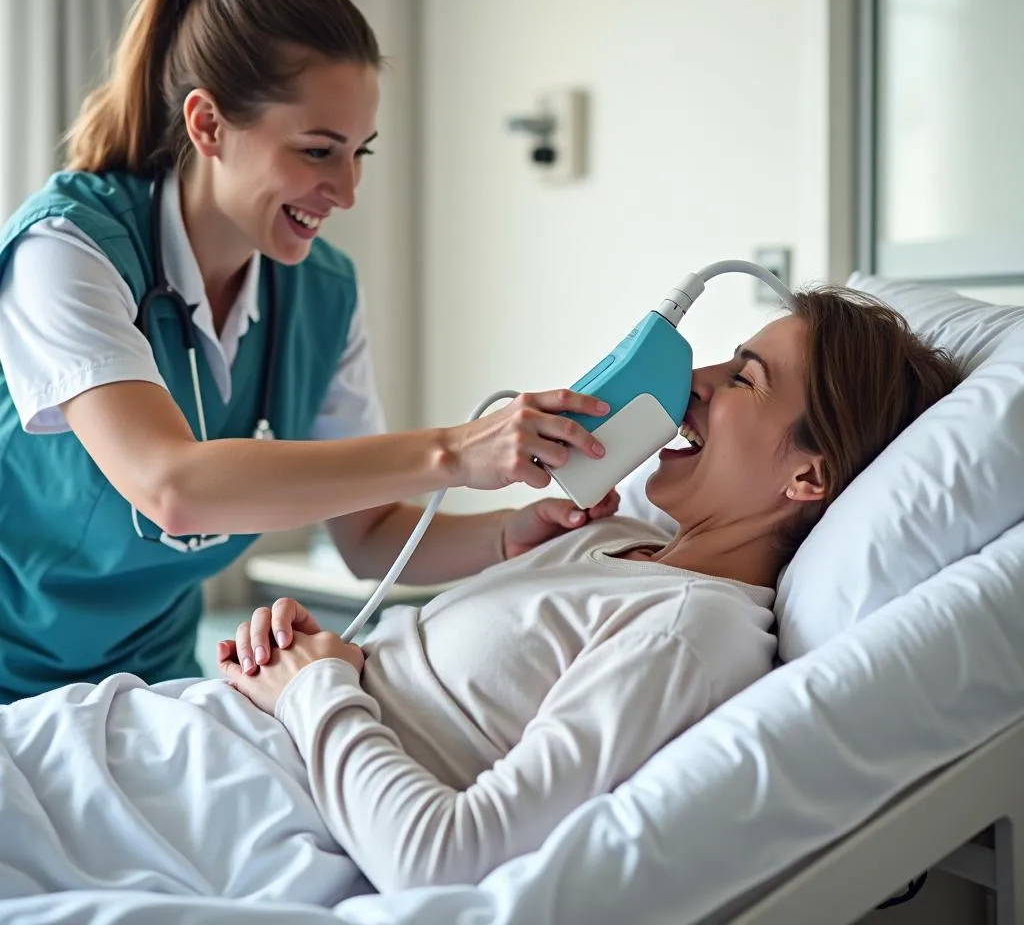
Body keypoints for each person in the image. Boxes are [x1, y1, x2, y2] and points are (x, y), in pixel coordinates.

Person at [0, 288, 960, 902]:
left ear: (811, 477)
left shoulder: (690, 634)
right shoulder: (618, 540)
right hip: (165, 738)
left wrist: (316, 691)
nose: (695, 384)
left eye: (743, 378)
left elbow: (446, 858)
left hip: (228, 807)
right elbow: (411, 685)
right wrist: (306, 656)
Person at [0, 0, 618, 704]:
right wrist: (455, 450)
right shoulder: (69, 249)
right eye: (318, 151)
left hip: (146, 682)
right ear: (208, 125)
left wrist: (506, 537)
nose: (348, 191)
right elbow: (170, 488)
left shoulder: (322, 292)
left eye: (360, 153)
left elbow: (370, 537)